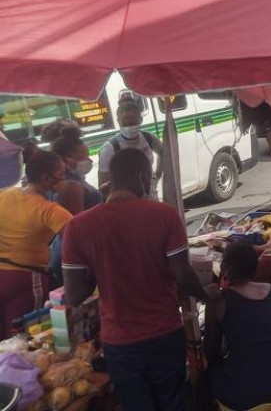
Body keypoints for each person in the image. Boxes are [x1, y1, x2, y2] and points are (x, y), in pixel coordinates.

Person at [62, 149, 207, 411]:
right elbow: (183, 276)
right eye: (150, 179)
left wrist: (101, 264)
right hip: (164, 334)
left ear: (111, 179)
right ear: (141, 177)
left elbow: (73, 296)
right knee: (173, 401)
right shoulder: (165, 215)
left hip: (119, 343)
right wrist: (209, 295)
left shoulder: (77, 226)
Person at [205, 243, 271, 411]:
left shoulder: (218, 300)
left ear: (226, 269)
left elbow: (211, 352)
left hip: (247, 392)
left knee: (211, 369)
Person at [0, 152, 72, 340]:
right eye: (62, 173)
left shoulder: (5, 195)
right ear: (46, 178)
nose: (65, 178)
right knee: (28, 338)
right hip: (26, 279)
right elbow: (79, 243)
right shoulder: (51, 211)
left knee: (4, 340)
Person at [49, 127, 103, 286]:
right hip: (75, 256)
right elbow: (75, 228)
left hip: (66, 253)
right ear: (65, 160)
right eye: (83, 157)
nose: (89, 161)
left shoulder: (62, 181)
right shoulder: (71, 186)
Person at [98, 98, 163, 200]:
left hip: (151, 197)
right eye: (124, 124)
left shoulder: (148, 138)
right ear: (119, 122)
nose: (128, 128)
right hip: (127, 201)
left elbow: (163, 152)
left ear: (140, 120)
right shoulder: (110, 148)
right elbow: (102, 185)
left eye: (132, 123)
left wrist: (157, 175)